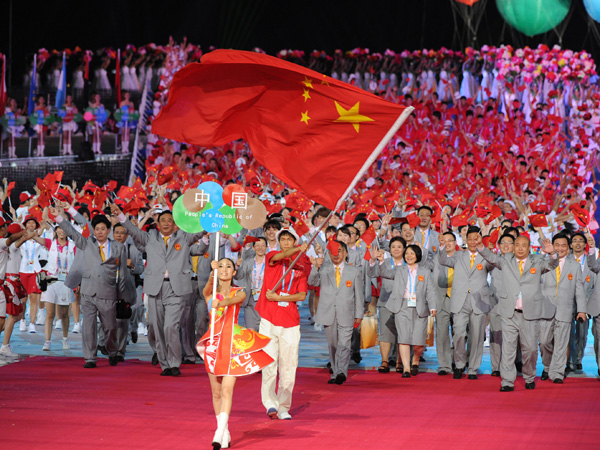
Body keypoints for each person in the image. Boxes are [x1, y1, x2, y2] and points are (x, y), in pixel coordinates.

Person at [112, 204, 205, 376]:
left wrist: (208, 221)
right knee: (157, 327)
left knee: (171, 326)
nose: (167, 223)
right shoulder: (150, 237)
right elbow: (132, 230)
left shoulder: (183, 237)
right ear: (158, 223)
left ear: (175, 224)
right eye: (163, 220)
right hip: (155, 287)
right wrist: (121, 216)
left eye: (170, 220)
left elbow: (199, 234)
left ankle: (174, 362)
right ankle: (164, 363)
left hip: (176, 287)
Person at [196, 258, 273, 450]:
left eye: (228, 266)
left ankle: (218, 433)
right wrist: (212, 274)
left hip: (232, 346)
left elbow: (234, 300)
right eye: (220, 266)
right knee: (216, 392)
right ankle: (226, 431)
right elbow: (206, 290)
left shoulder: (239, 291)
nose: (224, 269)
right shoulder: (209, 294)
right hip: (213, 345)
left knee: (227, 390)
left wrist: (222, 302)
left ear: (234, 272)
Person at [50, 206, 129, 368]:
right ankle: (90, 358)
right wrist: (59, 218)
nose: (99, 232)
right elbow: (72, 233)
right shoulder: (86, 244)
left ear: (108, 231)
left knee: (110, 327)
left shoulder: (119, 247)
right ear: (93, 230)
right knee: (88, 326)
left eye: (103, 229)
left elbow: (122, 273)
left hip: (108, 292)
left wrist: (122, 295)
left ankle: (113, 351)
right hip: (88, 291)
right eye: (97, 229)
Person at [477, 234, 558, 391]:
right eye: (517, 245)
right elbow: (491, 257)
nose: (520, 248)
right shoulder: (506, 260)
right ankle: (507, 381)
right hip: (509, 312)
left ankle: (529, 376)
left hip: (530, 313)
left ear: (529, 248)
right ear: (513, 247)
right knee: (508, 348)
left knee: (530, 349)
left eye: (523, 245)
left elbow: (552, 265)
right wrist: (480, 246)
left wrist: (552, 253)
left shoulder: (537, 261)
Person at [255, 227, 308, 420]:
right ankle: (270, 403)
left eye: (289, 239)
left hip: (290, 321)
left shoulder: (301, 266)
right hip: (268, 318)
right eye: (283, 239)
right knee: (269, 362)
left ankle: (284, 406)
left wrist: (279, 296)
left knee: (289, 365)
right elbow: (282, 256)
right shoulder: (273, 256)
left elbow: (302, 295)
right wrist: (297, 249)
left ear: (294, 241)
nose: (286, 242)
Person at [438, 226, 495, 380]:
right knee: (459, 333)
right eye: (469, 239)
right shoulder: (458, 256)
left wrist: (484, 249)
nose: (472, 241)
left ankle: (472, 368)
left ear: (480, 239)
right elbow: (443, 260)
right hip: (460, 300)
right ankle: (459, 364)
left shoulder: (486, 256)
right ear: (465, 240)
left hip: (479, 301)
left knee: (476, 336)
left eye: (475, 238)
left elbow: (495, 263)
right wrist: (442, 245)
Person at [308, 240, 363, 384]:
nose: (336, 254)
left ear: (345, 253)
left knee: (344, 344)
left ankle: (341, 373)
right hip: (328, 313)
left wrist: (359, 314)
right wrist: (315, 267)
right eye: (333, 251)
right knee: (333, 345)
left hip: (347, 313)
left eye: (339, 251)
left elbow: (359, 295)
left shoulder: (354, 271)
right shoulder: (324, 269)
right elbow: (312, 282)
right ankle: (334, 372)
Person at [379, 244, 437, 377]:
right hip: (402, 306)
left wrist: (432, 306)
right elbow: (385, 273)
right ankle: (406, 368)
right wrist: (381, 261)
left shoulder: (425, 272)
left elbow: (431, 291)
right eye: (407, 254)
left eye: (412, 254)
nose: (409, 256)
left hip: (420, 306)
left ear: (417, 255)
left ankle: (415, 359)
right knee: (403, 338)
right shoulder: (399, 270)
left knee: (418, 341)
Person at [539, 233, 586, 383]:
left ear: (568, 247)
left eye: (563, 245)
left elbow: (579, 290)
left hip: (565, 309)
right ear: (552, 246)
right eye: (557, 245)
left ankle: (557, 373)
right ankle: (547, 367)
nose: (560, 248)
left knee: (561, 343)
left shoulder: (575, 266)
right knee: (545, 342)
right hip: (545, 308)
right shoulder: (543, 262)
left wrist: (582, 310)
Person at [367, 236, 406, 373]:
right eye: (393, 247)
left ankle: (400, 361)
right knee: (385, 331)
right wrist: (373, 260)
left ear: (404, 249)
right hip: (385, 301)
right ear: (390, 249)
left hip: (404, 302)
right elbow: (371, 273)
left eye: (399, 247)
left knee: (403, 332)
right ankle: (384, 361)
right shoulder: (384, 261)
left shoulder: (408, 263)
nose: (396, 249)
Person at [432, 231, 458, 376]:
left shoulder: (463, 258)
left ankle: (457, 361)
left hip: (458, 300)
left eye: (450, 240)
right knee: (442, 334)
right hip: (440, 299)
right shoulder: (435, 259)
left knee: (459, 333)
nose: (447, 243)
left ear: (455, 243)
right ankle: (444, 365)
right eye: (445, 240)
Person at [16, 216, 44, 334]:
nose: (31, 224)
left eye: (33, 222)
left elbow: (43, 228)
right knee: (23, 299)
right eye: (29, 223)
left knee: (33, 299)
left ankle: (32, 323)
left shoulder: (38, 238)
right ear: (26, 225)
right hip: (23, 270)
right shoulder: (22, 238)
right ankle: (23, 320)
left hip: (35, 271)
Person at [234, 237, 267, 331]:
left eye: (263, 245)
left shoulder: (270, 262)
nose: (260, 248)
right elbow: (237, 277)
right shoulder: (247, 262)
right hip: (250, 300)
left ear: (266, 247)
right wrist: (237, 266)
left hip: (265, 300)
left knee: (264, 333)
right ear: (253, 248)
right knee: (250, 332)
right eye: (257, 245)